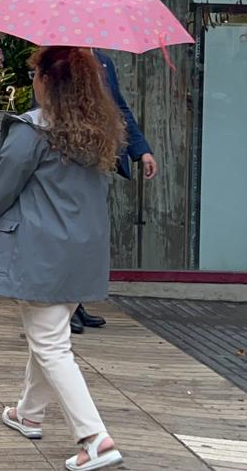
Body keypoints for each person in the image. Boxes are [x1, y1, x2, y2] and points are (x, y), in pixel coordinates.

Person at [0, 45, 127, 471]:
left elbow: (0, 188)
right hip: (83, 249)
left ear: (48, 81)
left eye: (35, 73)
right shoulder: (97, 128)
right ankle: (28, 413)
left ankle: (94, 437)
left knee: (51, 344)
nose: (32, 81)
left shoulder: (34, 132)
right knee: (48, 335)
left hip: (41, 251)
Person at [72, 50, 159, 334]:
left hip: (100, 159)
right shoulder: (59, 59)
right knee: (71, 235)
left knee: (89, 237)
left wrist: (140, 150)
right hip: (69, 160)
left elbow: (119, 107)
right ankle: (65, 304)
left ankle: (76, 303)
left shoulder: (104, 61)